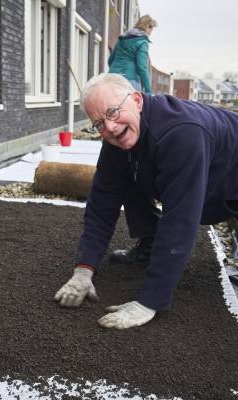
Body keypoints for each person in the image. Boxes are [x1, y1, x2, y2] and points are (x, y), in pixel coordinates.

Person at [54, 72, 238, 329]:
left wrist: (149, 302)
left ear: (137, 101)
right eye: (98, 124)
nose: (110, 127)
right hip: (204, 167)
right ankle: (149, 248)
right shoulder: (116, 136)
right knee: (132, 171)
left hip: (230, 176)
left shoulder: (181, 133)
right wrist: (84, 269)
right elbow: (102, 203)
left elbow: (180, 221)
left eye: (113, 112)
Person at [108, 14, 157, 94]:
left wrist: (116, 71)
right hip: (129, 81)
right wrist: (148, 90)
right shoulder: (142, 42)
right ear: (147, 26)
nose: (151, 32)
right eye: (151, 28)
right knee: (132, 105)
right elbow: (142, 67)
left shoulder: (122, 38)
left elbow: (110, 60)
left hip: (111, 78)